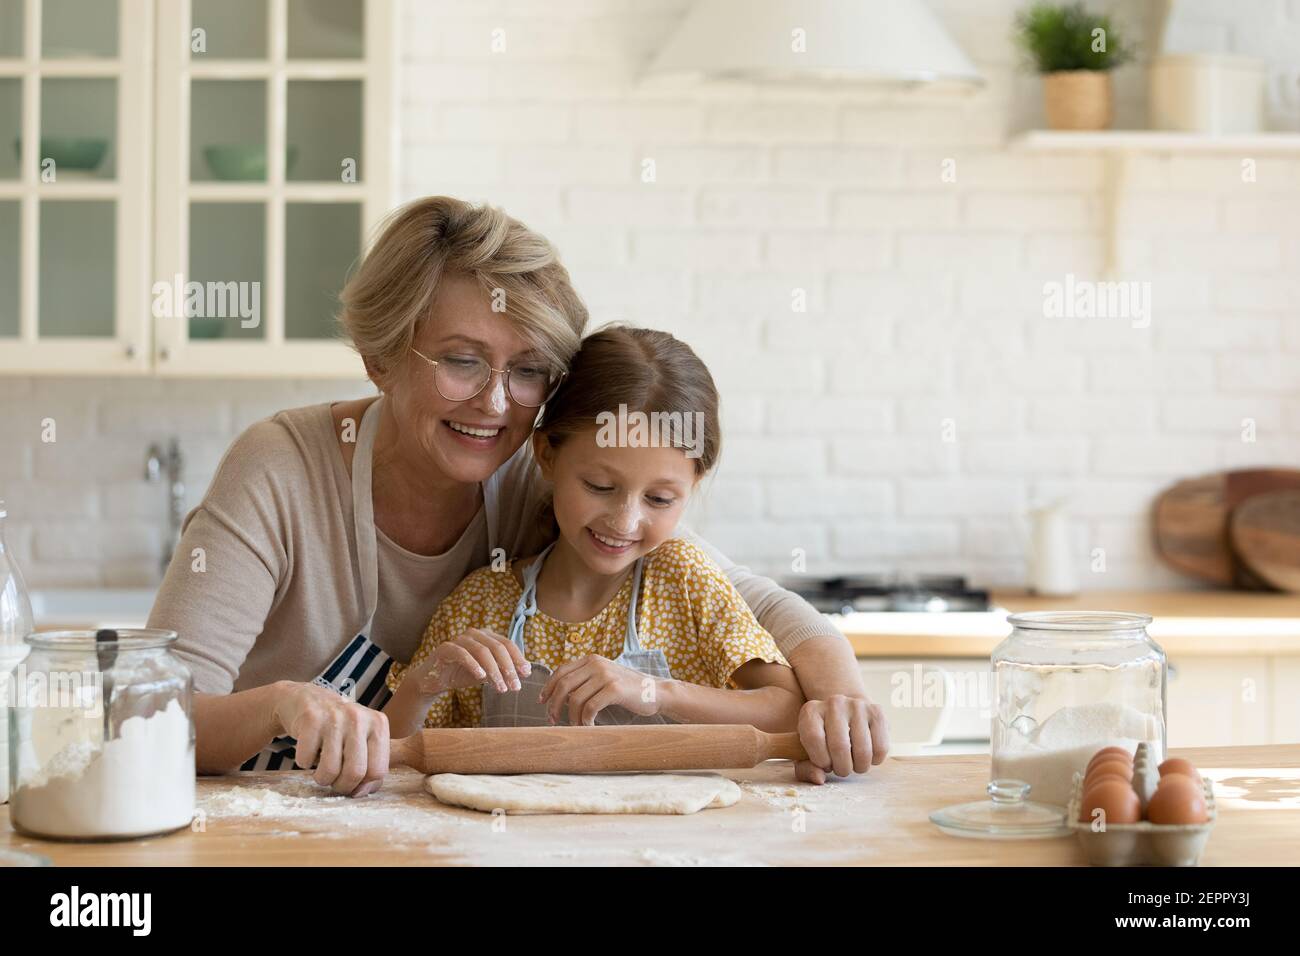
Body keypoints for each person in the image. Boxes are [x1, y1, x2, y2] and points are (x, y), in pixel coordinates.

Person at [147, 196, 888, 796]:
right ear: (379, 356)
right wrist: (282, 702)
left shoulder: (536, 473)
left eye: (528, 370)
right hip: (254, 823)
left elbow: (757, 603)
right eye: (463, 361)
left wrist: (840, 704)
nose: (496, 403)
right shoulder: (280, 470)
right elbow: (151, 714)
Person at [385, 326, 804, 735]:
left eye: (659, 499)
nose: (624, 521)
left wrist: (656, 691)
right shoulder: (482, 603)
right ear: (547, 455)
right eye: (600, 487)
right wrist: (423, 686)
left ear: (693, 485)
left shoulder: (684, 581)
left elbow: (785, 709)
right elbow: (395, 748)